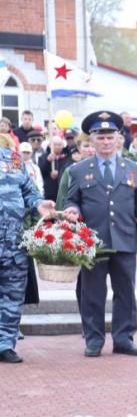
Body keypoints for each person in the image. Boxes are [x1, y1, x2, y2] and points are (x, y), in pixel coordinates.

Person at [62, 111, 137, 357]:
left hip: (124, 239)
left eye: (109, 136)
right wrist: (72, 209)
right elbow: (72, 200)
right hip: (93, 242)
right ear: (91, 140)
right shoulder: (79, 170)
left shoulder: (133, 168)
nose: (105, 142)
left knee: (125, 292)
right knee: (92, 293)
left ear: (118, 139)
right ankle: (94, 339)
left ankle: (124, 338)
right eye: (100, 137)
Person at [0, 143, 58, 363]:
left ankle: (5, 344)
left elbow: (28, 190)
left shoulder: (12, 158)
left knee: (13, 296)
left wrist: (39, 203)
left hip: (14, 243)